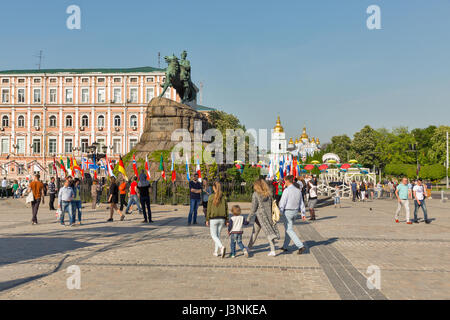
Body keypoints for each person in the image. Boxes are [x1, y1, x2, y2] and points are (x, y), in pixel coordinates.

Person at [247, 179, 280, 257]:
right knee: (269, 231)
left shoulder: (255, 194)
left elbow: (253, 208)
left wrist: (248, 218)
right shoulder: (268, 194)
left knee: (256, 232)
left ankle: (248, 248)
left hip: (260, 216)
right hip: (269, 215)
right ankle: (272, 250)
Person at [279, 175, 306, 255]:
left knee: (289, 229)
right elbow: (302, 203)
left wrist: (280, 212)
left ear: (287, 181)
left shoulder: (286, 190)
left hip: (288, 212)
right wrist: (303, 213)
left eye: (285, 181)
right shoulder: (298, 190)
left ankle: (300, 246)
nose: (284, 182)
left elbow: (282, 202)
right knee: (288, 229)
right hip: (295, 212)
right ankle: (285, 246)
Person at [206, 181, 228, 258]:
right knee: (218, 235)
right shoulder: (224, 197)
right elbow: (226, 209)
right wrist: (227, 219)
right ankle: (216, 252)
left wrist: (207, 219)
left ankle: (221, 247)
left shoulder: (211, 197)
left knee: (213, 235)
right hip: (222, 218)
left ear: (213, 187)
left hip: (213, 218)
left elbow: (208, 209)